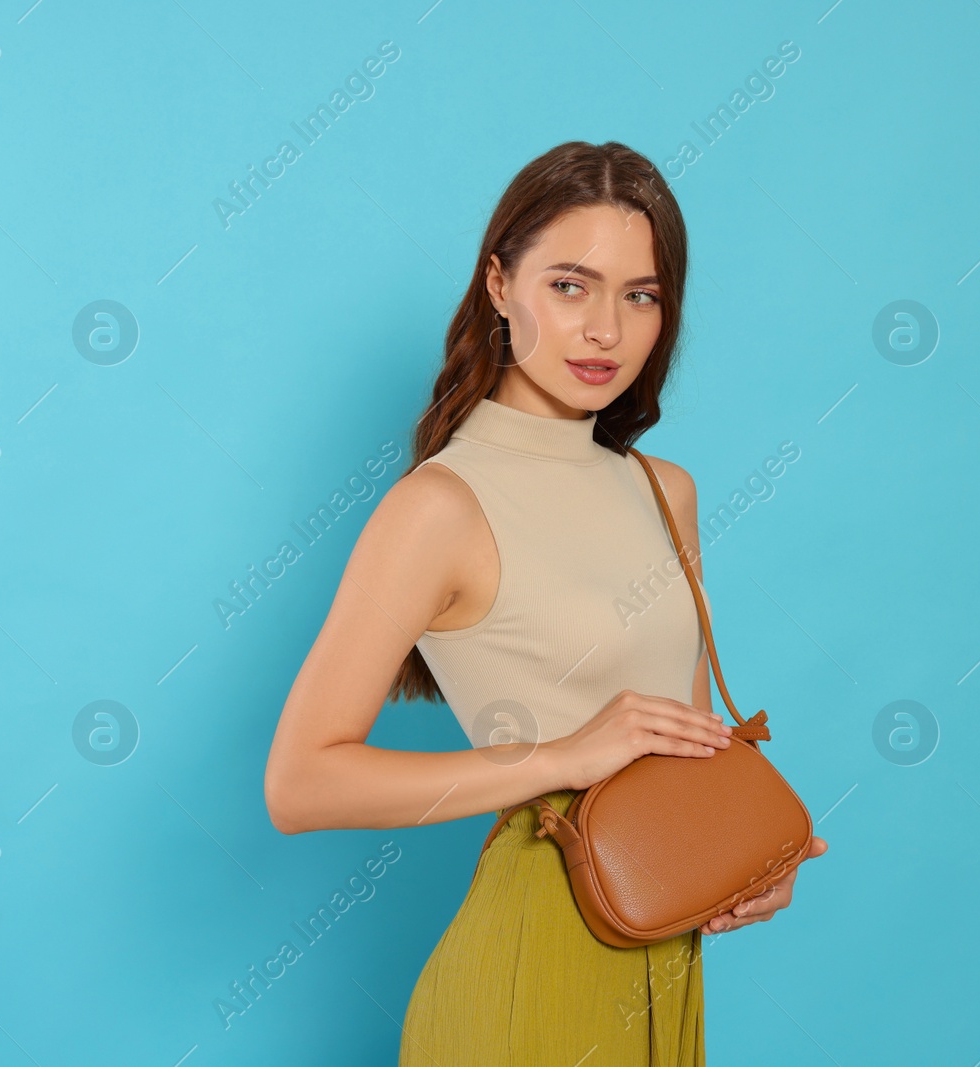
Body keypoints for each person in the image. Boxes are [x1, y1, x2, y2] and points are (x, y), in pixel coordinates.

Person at [263, 140, 827, 1064]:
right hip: (534, 955)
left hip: (665, 957)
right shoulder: (440, 508)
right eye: (571, 285)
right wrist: (560, 754)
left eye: (640, 294)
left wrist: (753, 866)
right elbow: (300, 782)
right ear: (499, 284)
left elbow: (684, 744)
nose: (606, 329)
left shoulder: (663, 489)